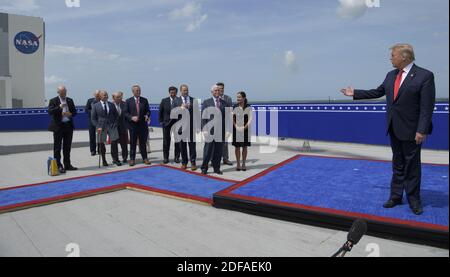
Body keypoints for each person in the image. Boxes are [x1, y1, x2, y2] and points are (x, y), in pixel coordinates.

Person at [341, 43, 436, 215]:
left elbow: (427, 107)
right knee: (397, 164)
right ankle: (396, 196)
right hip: (394, 127)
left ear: (404, 57)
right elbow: (377, 92)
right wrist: (354, 93)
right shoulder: (391, 75)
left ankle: (414, 200)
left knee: (412, 167)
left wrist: (421, 130)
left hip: (413, 130)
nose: (390, 58)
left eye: (393, 55)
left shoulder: (425, 76)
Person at [47, 85, 78, 173]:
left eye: (65, 92)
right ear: (58, 92)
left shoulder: (70, 100)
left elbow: (75, 112)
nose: (64, 93)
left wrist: (70, 114)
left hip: (68, 126)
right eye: (62, 92)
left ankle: (67, 164)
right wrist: (59, 107)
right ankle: (58, 165)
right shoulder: (53, 100)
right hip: (58, 127)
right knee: (57, 147)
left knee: (67, 147)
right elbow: (50, 112)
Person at [201, 85, 227, 175]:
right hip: (209, 130)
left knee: (218, 151)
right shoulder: (206, 102)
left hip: (220, 131)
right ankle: (204, 168)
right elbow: (203, 117)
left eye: (218, 90)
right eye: (215, 90)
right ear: (212, 92)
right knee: (208, 150)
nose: (217, 92)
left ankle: (216, 168)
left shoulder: (224, 103)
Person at [124, 85, 152, 166]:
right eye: (137, 90)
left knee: (143, 142)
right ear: (133, 91)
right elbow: (125, 113)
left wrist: (147, 115)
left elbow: (148, 111)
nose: (138, 92)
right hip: (133, 126)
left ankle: (145, 158)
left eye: (139, 90)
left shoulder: (144, 100)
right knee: (133, 143)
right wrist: (131, 117)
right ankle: (132, 159)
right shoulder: (128, 101)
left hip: (143, 125)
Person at [91, 90, 121, 167]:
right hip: (101, 127)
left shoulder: (111, 105)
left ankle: (115, 159)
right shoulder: (95, 105)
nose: (106, 96)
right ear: (100, 96)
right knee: (101, 144)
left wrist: (115, 123)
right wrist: (97, 127)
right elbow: (93, 119)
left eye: (107, 95)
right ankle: (104, 160)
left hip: (112, 126)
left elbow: (116, 115)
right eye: (104, 95)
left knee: (114, 143)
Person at [159, 86, 182, 164]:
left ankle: (177, 157)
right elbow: (160, 111)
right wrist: (161, 121)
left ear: (176, 93)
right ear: (169, 93)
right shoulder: (164, 100)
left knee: (177, 142)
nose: (173, 94)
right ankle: (166, 158)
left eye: (174, 93)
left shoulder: (180, 100)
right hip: (166, 124)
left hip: (177, 124)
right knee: (166, 141)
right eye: (171, 93)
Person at [178, 84, 198, 171]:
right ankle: (184, 162)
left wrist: (198, 126)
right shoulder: (176, 100)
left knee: (192, 146)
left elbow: (197, 114)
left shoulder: (194, 100)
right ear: (181, 91)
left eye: (187, 90)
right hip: (180, 128)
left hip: (191, 127)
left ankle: (193, 162)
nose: (186, 92)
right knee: (182, 146)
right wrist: (180, 108)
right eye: (184, 90)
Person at [232, 91, 252, 171]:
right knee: (237, 147)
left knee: (244, 147)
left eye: (239, 97)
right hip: (236, 129)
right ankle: (238, 164)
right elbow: (232, 118)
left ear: (243, 98)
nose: (238, 99)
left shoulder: (248, 107)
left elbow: (250, 119)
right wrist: (236, 126)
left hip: (246, 129)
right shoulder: (235, 106)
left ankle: (243, 163)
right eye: (237, 97)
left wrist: (244, 127)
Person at [217, 82, 233, 166]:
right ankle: (215, 160)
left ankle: (225, 159)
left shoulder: (228, 98)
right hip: (215, 125)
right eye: (219, 89)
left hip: (225, 124)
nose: (220, 90)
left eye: (222, 88)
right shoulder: (214, 98)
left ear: (224, 89)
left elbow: (230, 112)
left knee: (225, 143)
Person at [112, 91, 129, 164]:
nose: (119, 98)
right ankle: (115, 159)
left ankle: (125, 157)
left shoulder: (125, 104)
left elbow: (127, 114)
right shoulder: (110, 105)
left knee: (124, 144)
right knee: (114, 144)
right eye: (117, 97)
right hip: (113, 128)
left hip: (123, 127)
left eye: (120, 97)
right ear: (113, 98)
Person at [85, 90, 101, 156]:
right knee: (92, 136)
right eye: (96, 94)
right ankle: (93, 150)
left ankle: (100, 149)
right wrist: (93, 112)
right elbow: (86, 109)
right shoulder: (90, 101)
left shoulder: (101, 101)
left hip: (99, 121)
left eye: (98, 94)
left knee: (100, 136)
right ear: (94, 94)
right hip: (91, 121)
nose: (97, 96)